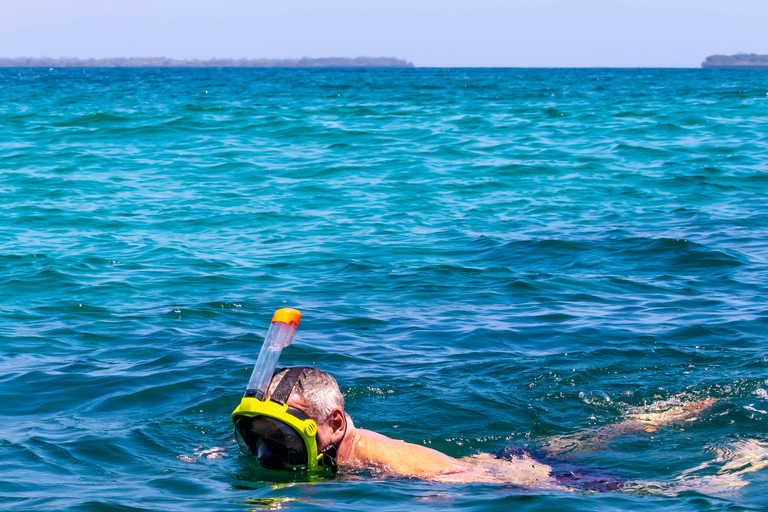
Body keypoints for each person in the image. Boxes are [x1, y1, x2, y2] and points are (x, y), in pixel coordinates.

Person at [236, 366, 717, 489]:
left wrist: (433, 497)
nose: (267, 451)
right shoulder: (307, 449)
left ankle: (729, 468)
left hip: (508, 476)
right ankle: (656, 416)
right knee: (577, 441)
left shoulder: (380, 458)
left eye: (283, 437)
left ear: (335, 423)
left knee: (634, 492)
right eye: (257, 435)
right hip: (497, 455)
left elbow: (460, 481)